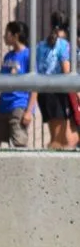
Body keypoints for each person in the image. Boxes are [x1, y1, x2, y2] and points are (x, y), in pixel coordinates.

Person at [0, 20, 34, 149]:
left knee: (19, 142)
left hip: (19, 105)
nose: (4, 36)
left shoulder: (28, 55)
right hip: (3, 106)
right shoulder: (8, 56)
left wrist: (29, 111)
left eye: (7, 33)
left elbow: (35, 86)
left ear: (15, 36)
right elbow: (4, 84)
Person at [41, 12, 76, 151]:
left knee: (59, 138)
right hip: (59, 93)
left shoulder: (42, 44)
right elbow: (66, 70)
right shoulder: (64, 45)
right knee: (59, 139)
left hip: (45, 91)